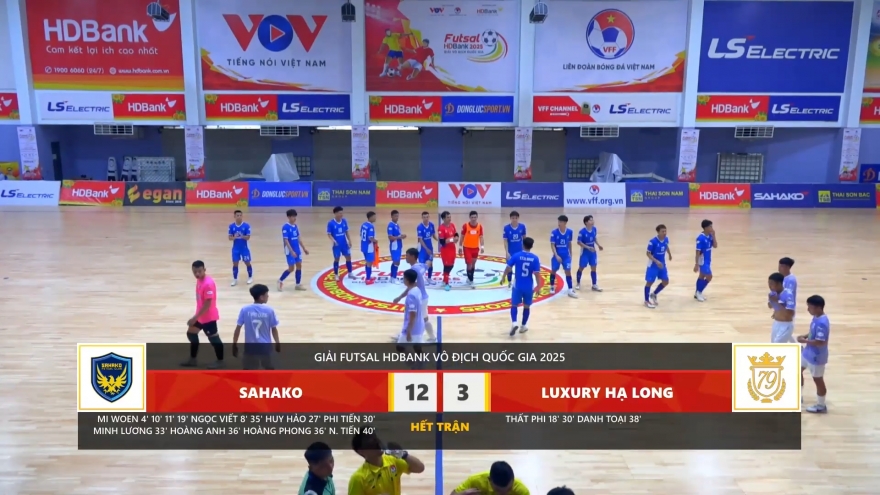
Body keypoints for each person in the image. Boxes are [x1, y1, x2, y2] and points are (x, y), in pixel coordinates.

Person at [349, 432, 424, 495]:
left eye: (376, 440)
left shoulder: (393, 460)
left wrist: (403, 454)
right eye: (371, 443)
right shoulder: (358, 478)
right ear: (361, 451)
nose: (377, 444)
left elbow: (420, 468)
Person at [181, 260, 224, 368]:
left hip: (208, 317)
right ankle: (193, 360)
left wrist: (195, 318)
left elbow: (207, 304)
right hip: (200, 316)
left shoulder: (208, 284)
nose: (197, 274)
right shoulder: (199, 280)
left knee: (214, 339)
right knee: (191, 333)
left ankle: (220, 361)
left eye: (199, 271)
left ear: (204, 270)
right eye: (194, 272)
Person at [232, 284, 280, 370]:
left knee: (249, 370)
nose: (268, 296)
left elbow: (238, 328)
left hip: (250, 346)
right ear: (261, 297)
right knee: (269, 368)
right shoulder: (269, 311)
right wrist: (277, 342)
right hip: (265, 346)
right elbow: (273, 329)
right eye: (266, 294)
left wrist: (234, 344)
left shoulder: (245, 309)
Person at [392, 249, 436, 343]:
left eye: (407, 255)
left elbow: (411, 286)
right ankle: (431, 337)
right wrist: (430, 257)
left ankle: (431, 338)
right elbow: (428, 264)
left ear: (412, 256)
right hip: (423, 296)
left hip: (419, 297)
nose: (406, 257)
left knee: (418, 318)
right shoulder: (420, 265)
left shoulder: (413, 270)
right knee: (421, 317)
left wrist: (399, 297)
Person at [501, 237, 540, 336]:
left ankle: (514, 322)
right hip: (528, 286)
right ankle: (523, 326)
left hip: (518, 285)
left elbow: (508, 268)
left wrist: (503, 277)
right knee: (526, 306)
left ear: (522, 244)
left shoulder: (516, 255)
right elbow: (537, 274)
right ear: (531, 246)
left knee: (514, 305)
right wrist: (539, 286)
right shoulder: (535, 258)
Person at [798, 295, 829, 413]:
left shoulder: (822, 323)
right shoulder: (816, 317)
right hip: (808, 352)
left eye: (810, 307)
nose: (808, 309)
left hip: (817, 356)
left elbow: (820, 342)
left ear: (818, 308)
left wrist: (805, 341)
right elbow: (813, 333)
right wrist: (805, 336)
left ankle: (821, 405)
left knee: (818, 380)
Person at [451, 461, 530, 495]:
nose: (504, 494)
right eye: (498, 490)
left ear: (513, 479)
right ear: (489, 480)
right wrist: (463, 494)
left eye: (509, 489)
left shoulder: (521, 491)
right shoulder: (476, 481)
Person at [280, 209, 309, 291]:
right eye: (293, 216)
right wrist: (291, 251)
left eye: (295, 216)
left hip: (297, 250)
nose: (294, 218)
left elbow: (299, 238)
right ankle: (280, 280)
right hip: (290, 251)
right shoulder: (285, 227)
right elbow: (286, 240)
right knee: (291, 268)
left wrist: (304, 248)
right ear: (289, 217)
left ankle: (298, 284)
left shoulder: (295, 226)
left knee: (299, 266)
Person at [644, 224, 672, 309]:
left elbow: (666, 246)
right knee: (649, 282)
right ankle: (646, 301)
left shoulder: (666, 239)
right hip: (653, 265)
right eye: (662, 231)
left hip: (662, 264)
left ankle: (654, 294)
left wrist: (669, 254)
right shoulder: (652, 242)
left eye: (665, 231)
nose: (664, 233)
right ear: (658, 232)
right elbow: (648, 253)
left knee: (665, 281)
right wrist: (656, 261)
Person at [550, 215, 577, 298]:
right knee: (553, 270)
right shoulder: (554, 232)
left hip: (566, 256)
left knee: (568, 271)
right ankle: (552, 286)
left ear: (565, 223)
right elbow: (552, 245)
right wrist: (556, 255)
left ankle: (570, 289)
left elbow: (569, 243)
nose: (559, 223)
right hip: (557, 256)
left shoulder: (570, 232)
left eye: (561, 222)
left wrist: (571, 254)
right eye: (558, 221)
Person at [576, 215, 603, 292]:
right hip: (585, 252)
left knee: (594, 268)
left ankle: (594, 285)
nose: (592, 221)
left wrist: (598, 245)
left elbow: (594, 238)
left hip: (592, 252)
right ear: (586, 222)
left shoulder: (594, 229)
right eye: (590, 220)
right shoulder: (582, 232)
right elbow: (579, 242)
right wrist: (588, 247)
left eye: (592, 220)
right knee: (581, 267)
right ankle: (578, 283)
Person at [327, 206, 353, 280]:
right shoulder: (331, 223)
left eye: (342, 213)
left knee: (348, 257)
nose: (341, 215)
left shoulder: (344, 221)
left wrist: (349, 241)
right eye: (339, 213)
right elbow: (329, 234)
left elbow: (346, 232)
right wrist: (333, 241)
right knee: (337, 259)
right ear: (335, 213)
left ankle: (350, 273)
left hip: (344, 244)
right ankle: (336, 274)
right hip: (336, 245)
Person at [768, 272, 796, 342]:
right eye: (769, 284)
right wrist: (771, 301)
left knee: (777, 345)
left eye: (772, 284)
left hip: (785, 325)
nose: (770, 286)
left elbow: (790, 313)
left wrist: (777, 301)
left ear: (779, 284)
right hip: (776, 323)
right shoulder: (772, 294)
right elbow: (770, 306)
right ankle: (798, 346)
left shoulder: (788, 294)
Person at [228, 210, 253, 286]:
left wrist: (242, 236)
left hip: (244, 248)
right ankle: (235, 279)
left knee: (247, 262)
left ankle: (250, 277)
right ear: (234, 216)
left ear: (242, 216)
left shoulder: (246, 226)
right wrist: (234, 237)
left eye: (240, 215)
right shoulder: (231, 226)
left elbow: (248, 237)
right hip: (236, 249)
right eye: (237, 215)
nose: (239, 217)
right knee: (235, 263)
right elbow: (229, 238)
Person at [459, 211, 484, 287]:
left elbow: (481, 237)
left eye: (475, 217)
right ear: (469, 217)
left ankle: (470, 277)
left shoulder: (479, 226)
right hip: (467, 248)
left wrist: (482, 246)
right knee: (469, 264)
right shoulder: (465, 226)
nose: (473, 219)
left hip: (475, 248)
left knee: (473, 264)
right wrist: (460, 247)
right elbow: (462, 237)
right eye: (472, 217)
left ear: (477, 217)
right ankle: (471, 280)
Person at [694, 219, 717, 302]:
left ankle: (697, 293)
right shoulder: (700, 238)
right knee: (709, 276)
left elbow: (715, 246)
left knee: (701, 276)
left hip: (708, 260)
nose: (712, 228)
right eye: (710, 226)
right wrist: (696, 264)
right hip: (702, 261)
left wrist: (714, 236)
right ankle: (699, 292)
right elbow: (697, 252)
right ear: (706, 228)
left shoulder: (710, 235)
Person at [503, 211, 526, 288]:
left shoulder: (522, 226)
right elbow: (505, 241)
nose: (514, 220)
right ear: (510, 218)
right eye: (513, 218)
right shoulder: (506, 228)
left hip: (520, 251)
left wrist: (525, 250)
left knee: (519, 268)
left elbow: (524, 239)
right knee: (509, 267)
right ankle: (509, 282)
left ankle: (517, 282)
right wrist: (507, 252)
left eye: (516, 218)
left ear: (518, 218)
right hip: (511, 251)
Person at [438, 211, 459, 290]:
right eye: (447, 217)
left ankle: (444, 279)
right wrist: (452, 239)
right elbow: (442, 242)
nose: (449, 219)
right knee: (447, 266)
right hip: (446, 250)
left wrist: (456, 237)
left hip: (452, 248)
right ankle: (446, 283)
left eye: (450, 217)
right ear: (443, 219)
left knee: (451, 265)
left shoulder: (452, 225)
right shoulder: (441, 228)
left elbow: (455, 233)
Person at [416, 211, 437, 282]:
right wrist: (426, 249)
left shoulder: (431, 225)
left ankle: (429, 278)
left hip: (430, 247)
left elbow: (433, 235)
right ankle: (421, 279)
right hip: (422, 249)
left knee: (430, 263)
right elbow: (420, 239)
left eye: (427, 217)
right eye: (424, 217)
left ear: (429, 217)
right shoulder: (420, 227)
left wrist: (438, 240)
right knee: (422, 264)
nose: (426, 218)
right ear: (422, 218)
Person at [388, 210, 407, 283]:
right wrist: (400, 237)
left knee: (395, 262)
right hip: (394, 246)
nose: (397, 217)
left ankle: (392, 277)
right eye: (395, 216)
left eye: (397, 216)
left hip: (398, 245)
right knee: (396, 262)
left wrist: (402, 235)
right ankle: (394, 277)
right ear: (392, 216)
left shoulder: (397, 225)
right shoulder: (390, 225)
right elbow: (390, 237)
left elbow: (397, 235)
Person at [361, 212, 378, 285]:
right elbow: (370, 238)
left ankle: (368, 276)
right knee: (369, 263)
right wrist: (375, 241)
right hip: (369, 247)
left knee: (368, 262)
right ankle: (368, 279)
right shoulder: (371, 226)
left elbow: (361, 234)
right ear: (370, 217)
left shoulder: (363, 224)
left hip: (363, 245)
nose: (375, 218)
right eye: (374, 217)